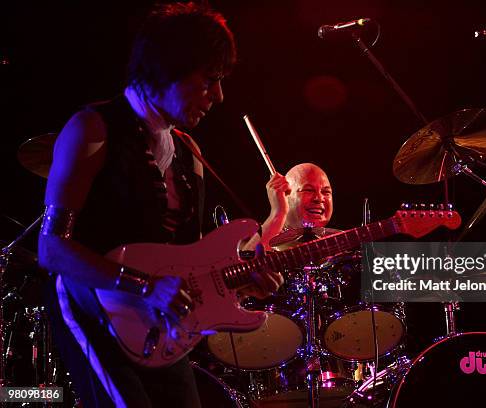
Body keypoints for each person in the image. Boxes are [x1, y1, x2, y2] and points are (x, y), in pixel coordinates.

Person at [37, 3, 282, 407]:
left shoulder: (189, 153)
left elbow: (193, 262)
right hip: (93, 310)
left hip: (162, 326)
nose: (218, 96)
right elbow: (52, 248)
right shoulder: (93, 129)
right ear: (170, 69)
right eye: (209, 80)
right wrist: (145, 286)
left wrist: (245, 278)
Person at [258, 162, 334, 250]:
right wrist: (278, 212)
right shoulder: (248, 239)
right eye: (308, 190)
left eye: (326, 192)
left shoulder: (340, 246)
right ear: (285, 196)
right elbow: (249, 262)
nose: (319, 198)